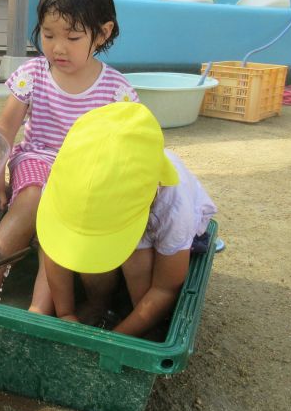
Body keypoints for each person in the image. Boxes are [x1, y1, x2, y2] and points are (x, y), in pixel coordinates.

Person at [0, 0, 138, 308]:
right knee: (35, 197)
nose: (58, 47)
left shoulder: (116, 91)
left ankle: (39, 309)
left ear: (102, 34)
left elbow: (127, 151)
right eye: (48, 35)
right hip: (37, 157)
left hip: (82, 175)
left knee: (61, 220)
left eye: (73, 38)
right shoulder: (32, 75)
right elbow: (5, 131)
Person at [35, 102, 218, 338]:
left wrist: (117, 338)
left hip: (169, 229)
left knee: (137, 265)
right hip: (131, 216)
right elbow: (56, 252)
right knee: (89, 258)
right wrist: (65, 314)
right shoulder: (63, 183)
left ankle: (140, 320)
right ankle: (99, 303)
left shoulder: (174, 202)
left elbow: (165, 287)